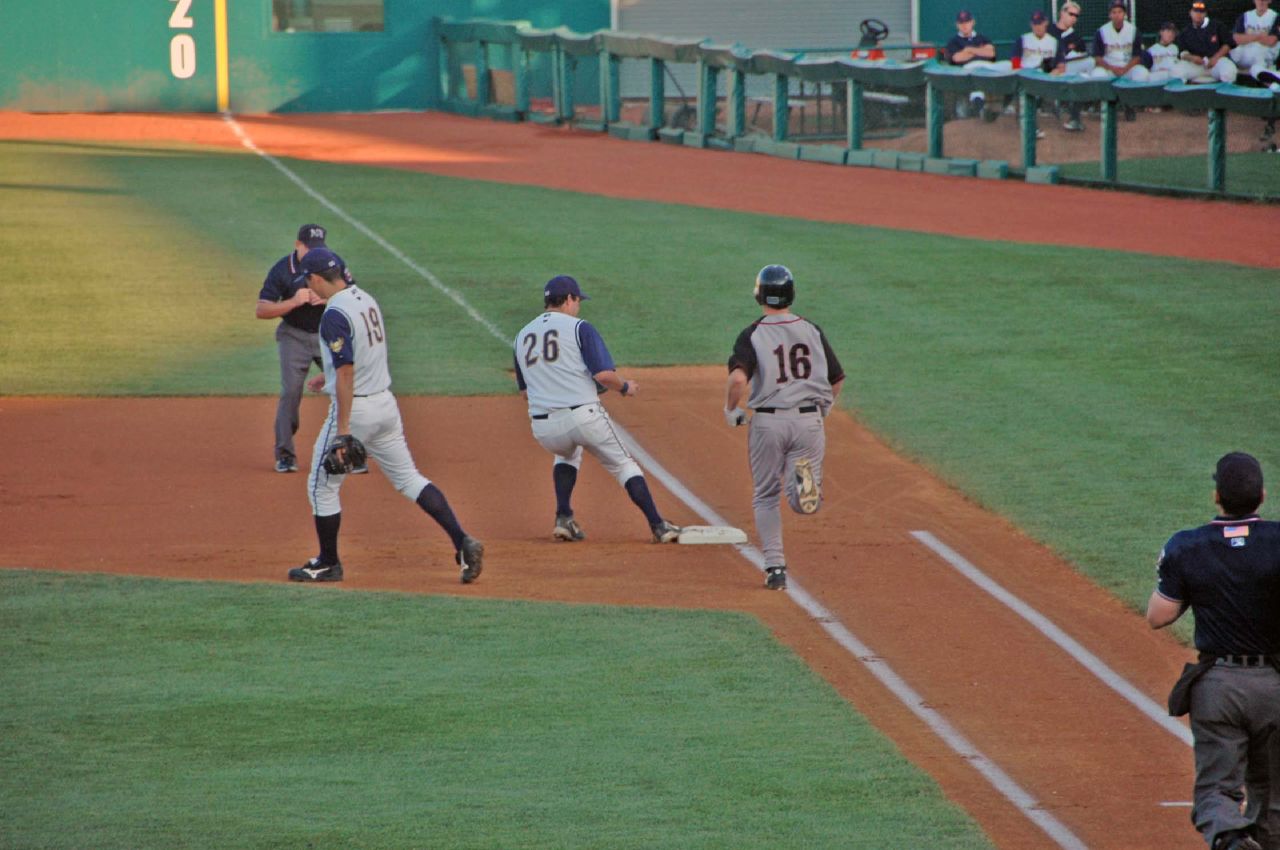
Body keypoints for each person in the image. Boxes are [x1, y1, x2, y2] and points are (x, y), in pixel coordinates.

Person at [287, 248, 484, 584]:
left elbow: (347, 369)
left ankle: (328, 563)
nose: (308, 285)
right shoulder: (365, 299)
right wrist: (329, 377)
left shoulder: (334, 313)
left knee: (321, 486)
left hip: (357, 411)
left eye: (308, 279)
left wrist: (344, 430)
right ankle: (462, 541)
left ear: (317, 278)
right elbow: (363, 353)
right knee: (409, 478)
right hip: (385, 405)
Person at [1147, 452, 1280, 850]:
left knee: (1216, 793)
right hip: (1276, 685)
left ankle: (1231, 837)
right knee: (1273, 798)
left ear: (1216, 496)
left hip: (1219, 687)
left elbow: (1159, 616)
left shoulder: (1187, 547)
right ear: (1262, 494)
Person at [512, 275, 681, 545]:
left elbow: (524, 392)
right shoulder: (580, 328)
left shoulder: (521, 336)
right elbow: (603, 375)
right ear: (568, 299)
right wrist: (625, 387)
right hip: (583, 418)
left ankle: (563, 517)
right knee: (624, 464)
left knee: (566, 454)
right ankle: (658, 525)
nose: (578, 306)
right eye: (577, 300)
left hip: (544, 429)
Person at [723, 265, 844, 591]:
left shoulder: (752, 333)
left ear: (760, 294)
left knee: (765, 496)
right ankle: (805, 488)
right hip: (808, 421)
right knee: (802, 500)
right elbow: (836, 378)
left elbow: (737, 379)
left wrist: (732, 409)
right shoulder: (811, 330)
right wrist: (824, 409)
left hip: (768, 422)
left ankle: (775, 568)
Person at [256, 223, 366, 475]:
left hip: (327, 335)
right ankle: (285, 455)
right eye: (309, 248)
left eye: (319, 247)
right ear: (298, 246)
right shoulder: (282, 269)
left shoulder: (331, 262)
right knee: (291, 393)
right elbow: (262, 309)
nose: (315, 253)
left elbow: (353, 294)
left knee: (349, 384)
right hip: (293, 336)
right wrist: (294, 302)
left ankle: (353, 451)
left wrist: (328, 299)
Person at [942, 10, 1013, 120]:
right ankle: (981, 110)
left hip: (988, 66)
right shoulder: (954, 41)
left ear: (972, 22)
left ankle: (1007, 105)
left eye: (967, 22)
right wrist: (980, 51)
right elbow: (957, 58)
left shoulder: (981, 37)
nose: (964, 26)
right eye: (961, 23)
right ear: (957, 25)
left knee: (1010, 65)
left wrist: (969, 50)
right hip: (968, 69)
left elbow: (991, 53)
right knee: (976, 71)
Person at [1048, 1, 1093, 131]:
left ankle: (1074, 117)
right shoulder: (1048, 30)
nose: (1073, 18)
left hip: (1068, 70)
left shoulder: (1076, 38)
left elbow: (1082, 56)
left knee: (1087, 68)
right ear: (1062, 13)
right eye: (1071, 14)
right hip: (1049, 68)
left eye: (1076, 16)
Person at [1173, 1, 1239, 84]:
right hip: (1197, 65)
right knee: (1177, 70)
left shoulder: (1217, 26)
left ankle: (1226, 92)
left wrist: (1215, 58)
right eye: (1195, 11)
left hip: (1216, 63)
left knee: (1229, 70)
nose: (1198, 14)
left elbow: (1229, 44)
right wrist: (1192, 58)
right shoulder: (1185, 32)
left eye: (1201, 12)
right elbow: (1183, 53)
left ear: (1205, 14)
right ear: (1190, 13)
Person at [1087, 0, 1150, 82]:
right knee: (1097, 74)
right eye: (1114, 12)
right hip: (1108, 69)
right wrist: (1112, 68)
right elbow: (1097, 58)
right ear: (1110, 15)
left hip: (1127, 68)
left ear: (1124, 14)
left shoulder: (1133, 31)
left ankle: (1135, 95)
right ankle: (1102, 95)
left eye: (1120, 12)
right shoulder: (1101, 31)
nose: (1117, 15)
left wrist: (1125, 69)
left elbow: (1137, 57)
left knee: (1142, 72)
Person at [1229, 0, 1280, 84]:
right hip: (1244, 57)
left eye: (1264, 0)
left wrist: (1247, 37)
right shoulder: (1245, 16)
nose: (1261, 2)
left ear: (1269, 1)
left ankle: (1270, 78)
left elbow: (1271, 41)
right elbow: (1236, 39)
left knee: (1256, 66)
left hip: (1264, 56)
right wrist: (1259, 36)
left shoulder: (1276, 17)